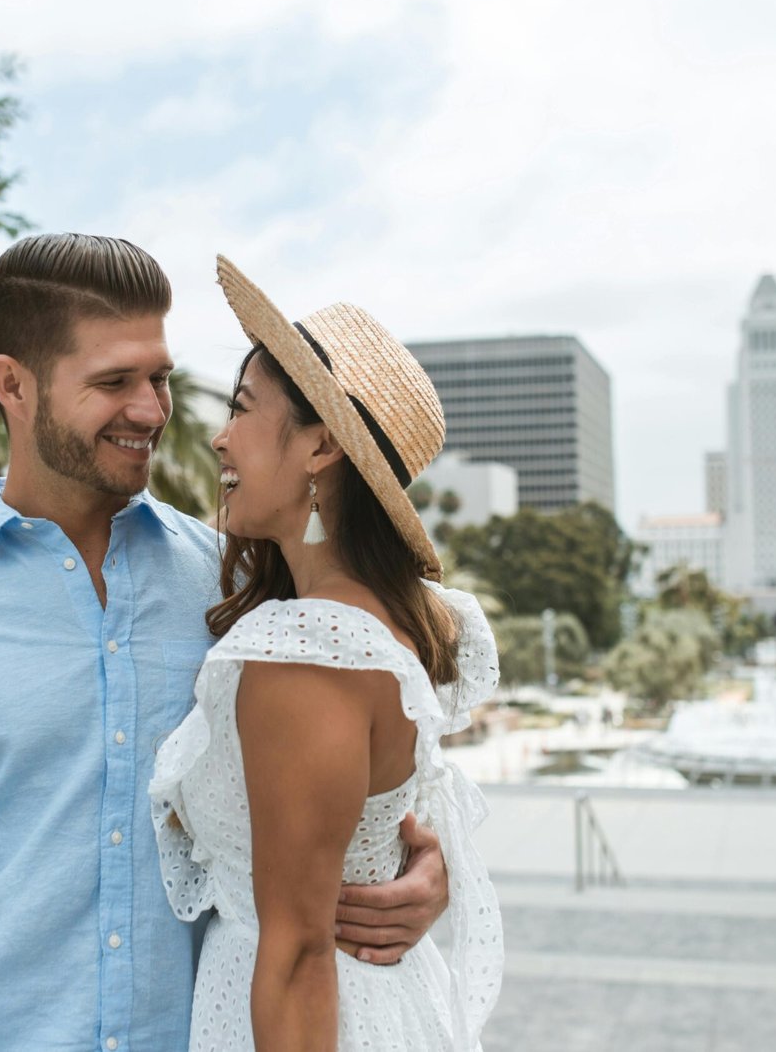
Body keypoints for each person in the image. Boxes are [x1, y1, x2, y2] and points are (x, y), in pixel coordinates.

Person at [0, 234, 450, 1052]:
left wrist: (419, 875)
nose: (151, 410)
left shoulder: (241, 590)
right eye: (114, 381)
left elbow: (369, 758)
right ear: (14, 384)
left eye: (160, 378)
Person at [149, 256, 504, 1051]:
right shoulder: (383, 620)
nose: (218, 435)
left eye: (242, 408)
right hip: (380, 1004)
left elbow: (301, 951)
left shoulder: (310, 652)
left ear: (319, 448)